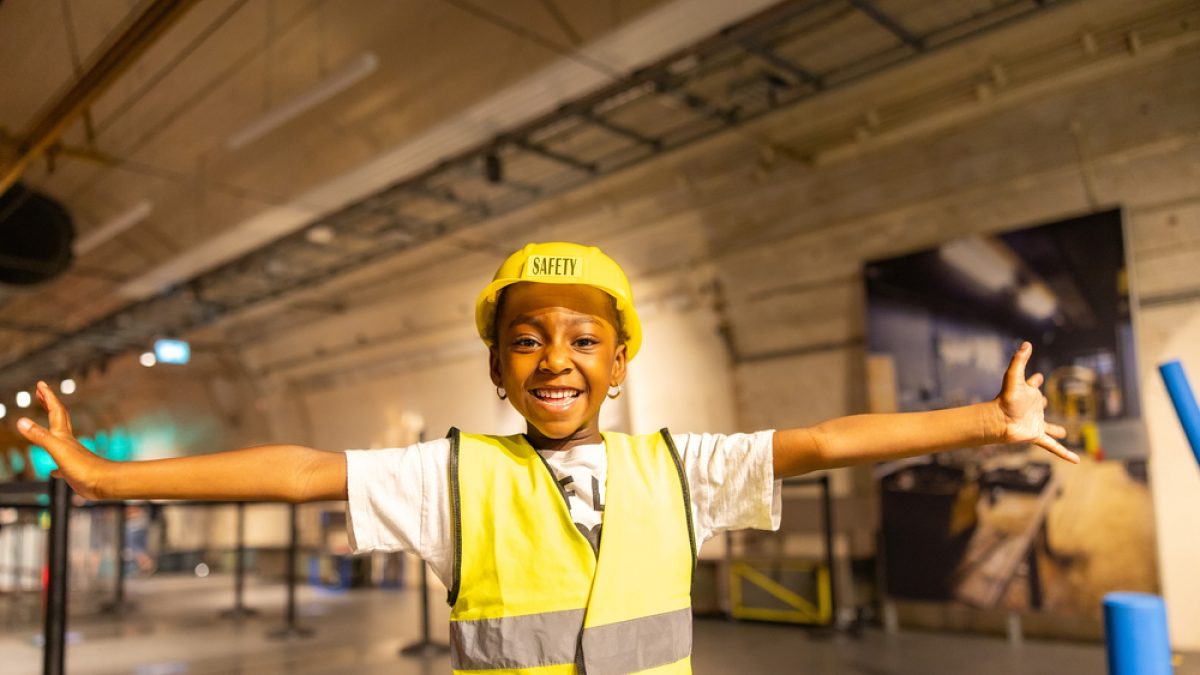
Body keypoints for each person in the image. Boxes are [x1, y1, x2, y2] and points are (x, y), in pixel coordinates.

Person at [17, 242, 1076, 674]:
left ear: (617, 366)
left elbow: (824, 441)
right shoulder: (452, 476)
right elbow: (298, 471)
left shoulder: (682, 467)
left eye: (581, 340)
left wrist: (985, 425)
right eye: (526, 338)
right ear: (496, 367)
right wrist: (109, 479)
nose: (554, 359)